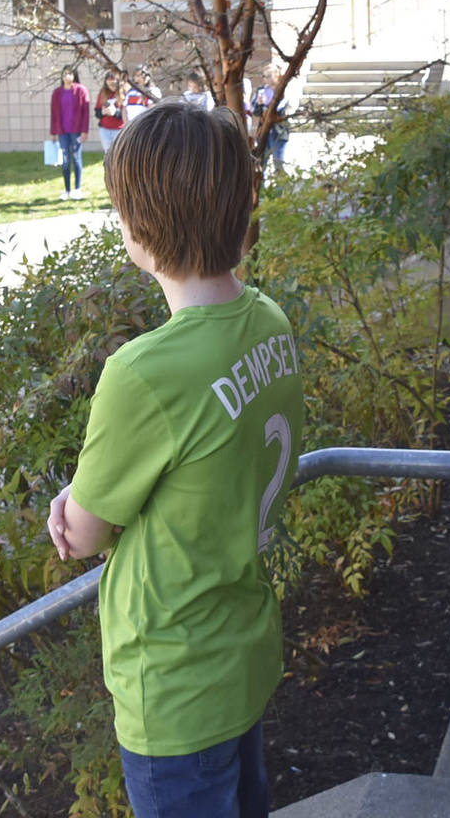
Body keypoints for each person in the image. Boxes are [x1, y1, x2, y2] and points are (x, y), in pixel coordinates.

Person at [46, 102, 305, 818]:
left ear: (140, 229)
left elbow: (84, 533)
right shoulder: (269, 322)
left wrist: (69, 505)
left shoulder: (144, 373)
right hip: (244, 649)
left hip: (173, 682)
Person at [50, 67, 92, 200]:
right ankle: (67, 190)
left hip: (77, 131)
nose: (66, 76)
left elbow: (86, 113)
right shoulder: (57, 93)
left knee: (76, 158)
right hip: (62, 132)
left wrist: (85, 131)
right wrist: (53, 132)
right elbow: (53, 113)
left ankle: (77, 189)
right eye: (64, 74)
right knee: (65, 161)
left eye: (69, 74)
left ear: (74, 75)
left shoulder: (81, 90)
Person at [248, 61, 290, 174]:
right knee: (261, 162)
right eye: (264, 76)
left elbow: (281, 109)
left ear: (276, 75)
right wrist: (258, 104)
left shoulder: (284, 90)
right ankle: (261, 189)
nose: (265, 79)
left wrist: (266, 105)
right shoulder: (261, 91)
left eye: (268, 76)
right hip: (263, 130)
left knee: (278, 161)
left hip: (279, 130)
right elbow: (254, 111)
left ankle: (280, 190)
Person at [95, 69, 126, 147]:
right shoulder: (103, 93)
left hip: (119, 129)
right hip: (105, 129)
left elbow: (128, 114)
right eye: (108, 85)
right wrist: (103, 112)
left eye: (113, 84)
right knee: (108, 153)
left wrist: (115, 113)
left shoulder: (124, 93)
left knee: (118, 153)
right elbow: (97, 112)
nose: (111, 87)